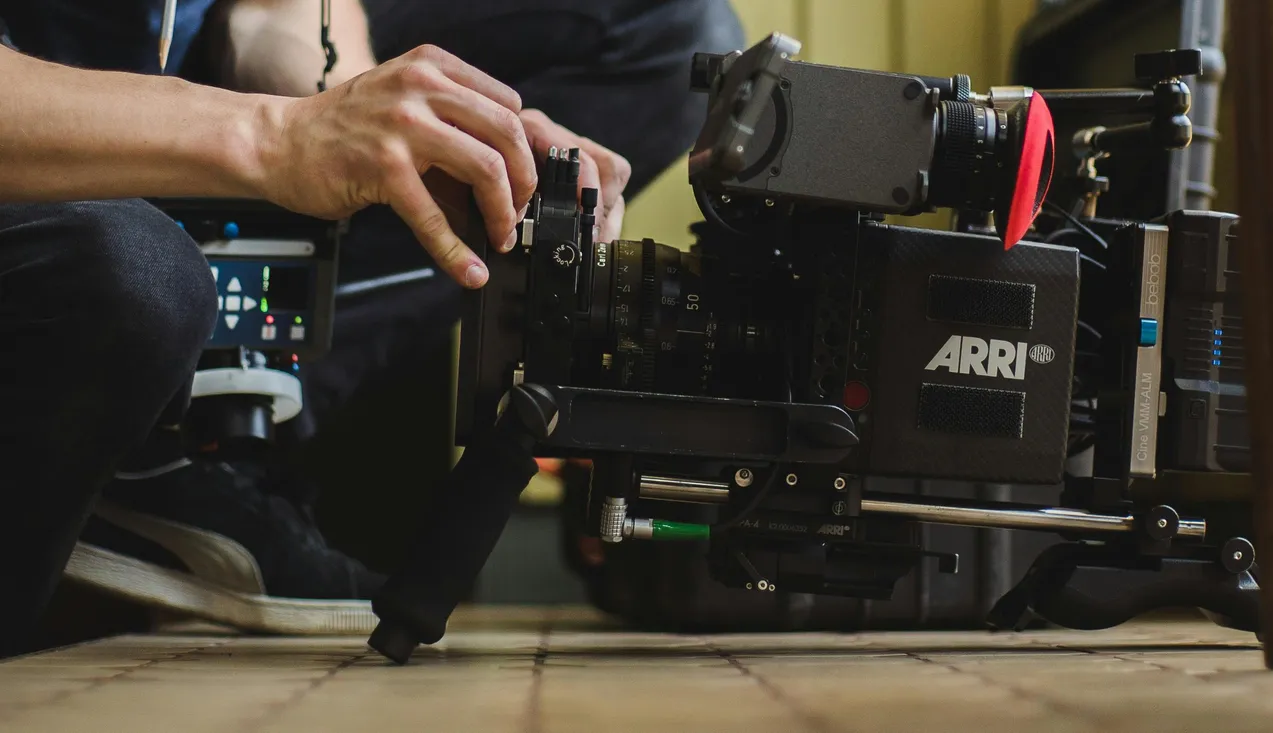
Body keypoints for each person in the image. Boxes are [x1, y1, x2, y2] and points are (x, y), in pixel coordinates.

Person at [0, 0, 745, 657]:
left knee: (668, 30)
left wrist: (388, 131)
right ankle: (135, 424)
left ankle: (194, 438)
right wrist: (274, 135)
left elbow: (272, 12)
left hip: (148, 119)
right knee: (130, 282)